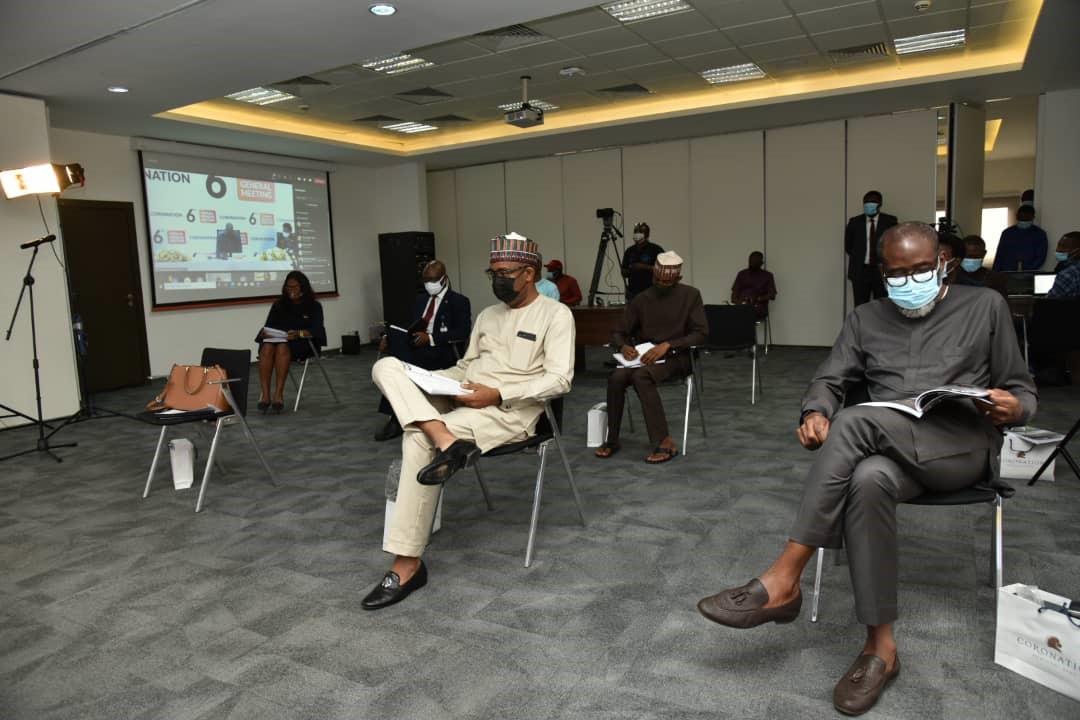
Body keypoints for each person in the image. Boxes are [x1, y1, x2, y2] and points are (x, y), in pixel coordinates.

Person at [696, 222, 1035, 716]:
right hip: (891, 451)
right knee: (867, 478)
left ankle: (785, 576)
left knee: (854, 420)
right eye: (897, 273)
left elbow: (1022, 388)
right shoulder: (865, 318)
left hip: (959, 447)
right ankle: (881, 648)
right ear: (882, 273)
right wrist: (815, 411)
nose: (910, 280)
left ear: (942, 262)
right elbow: (829, 379)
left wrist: (1014, 407)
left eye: (921, 269)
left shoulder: (985, 306)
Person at [362, 233, 574, 610]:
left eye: (504, 273)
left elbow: (560, 380)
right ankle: (445, 438)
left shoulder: (556, 315)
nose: (496, 280)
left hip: (509, 412)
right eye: (492, 273)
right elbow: (466, 366)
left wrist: (498, 394)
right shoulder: (489, 316)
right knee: (387, 367)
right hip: (462, 395)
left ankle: (406, 564)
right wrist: (431, 379)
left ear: (529, 274)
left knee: (417, 438)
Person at [595, 251, 707, 464]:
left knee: (641, 376)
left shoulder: (691, 295)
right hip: (645, 356)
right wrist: (624, 346)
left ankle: (664, 441)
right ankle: (612, 439)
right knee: (616, 377)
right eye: (658, 280)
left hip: (678, 357)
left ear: (678, 278)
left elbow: (701, 333)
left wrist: (668, 345)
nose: (661, 285)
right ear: (653, 276)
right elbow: (618, 331)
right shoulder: (642, 298)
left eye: (667, 282)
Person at [374, 260, 472, 441]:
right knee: (396, 358)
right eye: (426, 280)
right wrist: (390, 338)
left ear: (444, 279)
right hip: (417, 345)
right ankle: (398, 413)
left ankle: (396, 418)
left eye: (433, 280)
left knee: (402, 364)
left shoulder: (458, 301)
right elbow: (409, 324)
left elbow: (462, 332)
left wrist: (431, 338)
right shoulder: (421, 299)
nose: (429, 284)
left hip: (442, 349)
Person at [254, 271, 326, 413]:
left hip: (303, 343)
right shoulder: (278, 305)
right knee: (267, 346)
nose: (291, 290)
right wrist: (266, 333)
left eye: (294, 287)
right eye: (288, 287)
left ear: (303, 288)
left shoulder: (314, 306)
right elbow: (268, 326)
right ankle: (266, 396)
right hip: (279, 340)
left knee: (282, 347)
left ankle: (278, 395)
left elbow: (317, 330)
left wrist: (299, 333)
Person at [845, 191, 898, 306]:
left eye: (873, 201)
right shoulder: (854, 222)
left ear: (880, 204)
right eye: (866, 202)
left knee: (884, 306)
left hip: (882, 271)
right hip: (860, 271)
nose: (869, 204)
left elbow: (895, 245)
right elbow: (848, 247)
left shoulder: (890, 222)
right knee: (860, 305)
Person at [992, 203, 1048, 272]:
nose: (1023, 221)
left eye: (1026, 219)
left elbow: (1040, 257)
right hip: (1007, 272)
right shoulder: (1007, 233)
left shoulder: (1040, 234)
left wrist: (1026, 270)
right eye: (1021, 218)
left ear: (1033, 218)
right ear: (1016, 216)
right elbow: (999, 255)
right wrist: (995, 272)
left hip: (1029, 274)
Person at [622, 222, 665, 301]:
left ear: (647, 234)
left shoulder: (656, 249)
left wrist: (644, 267)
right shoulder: (629, 251)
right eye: (635, 232)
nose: (637, 234)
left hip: (652, 292)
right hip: (633, 293)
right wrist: (631, 269)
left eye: (640, 232)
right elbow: (624, 272)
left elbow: (663, 270)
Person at [730, 251, 777, 318]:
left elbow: (772, 294)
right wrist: (741, 303)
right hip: (742, 306)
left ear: (761, 263)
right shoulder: (742, 274)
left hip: (758, 307)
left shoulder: (767, 276)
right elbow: (733, 296)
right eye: (751, 261)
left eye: (755, 261)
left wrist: (758, 298)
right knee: (725, 313)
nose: (752, 263)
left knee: (748, 313)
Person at [1047, 231, 1080, 298]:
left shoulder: (1068, 274)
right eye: (1059, 245)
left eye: (1064, 247)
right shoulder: (1062, 267)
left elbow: (1050, 300)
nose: (1058, 249)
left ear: (1077, 251)